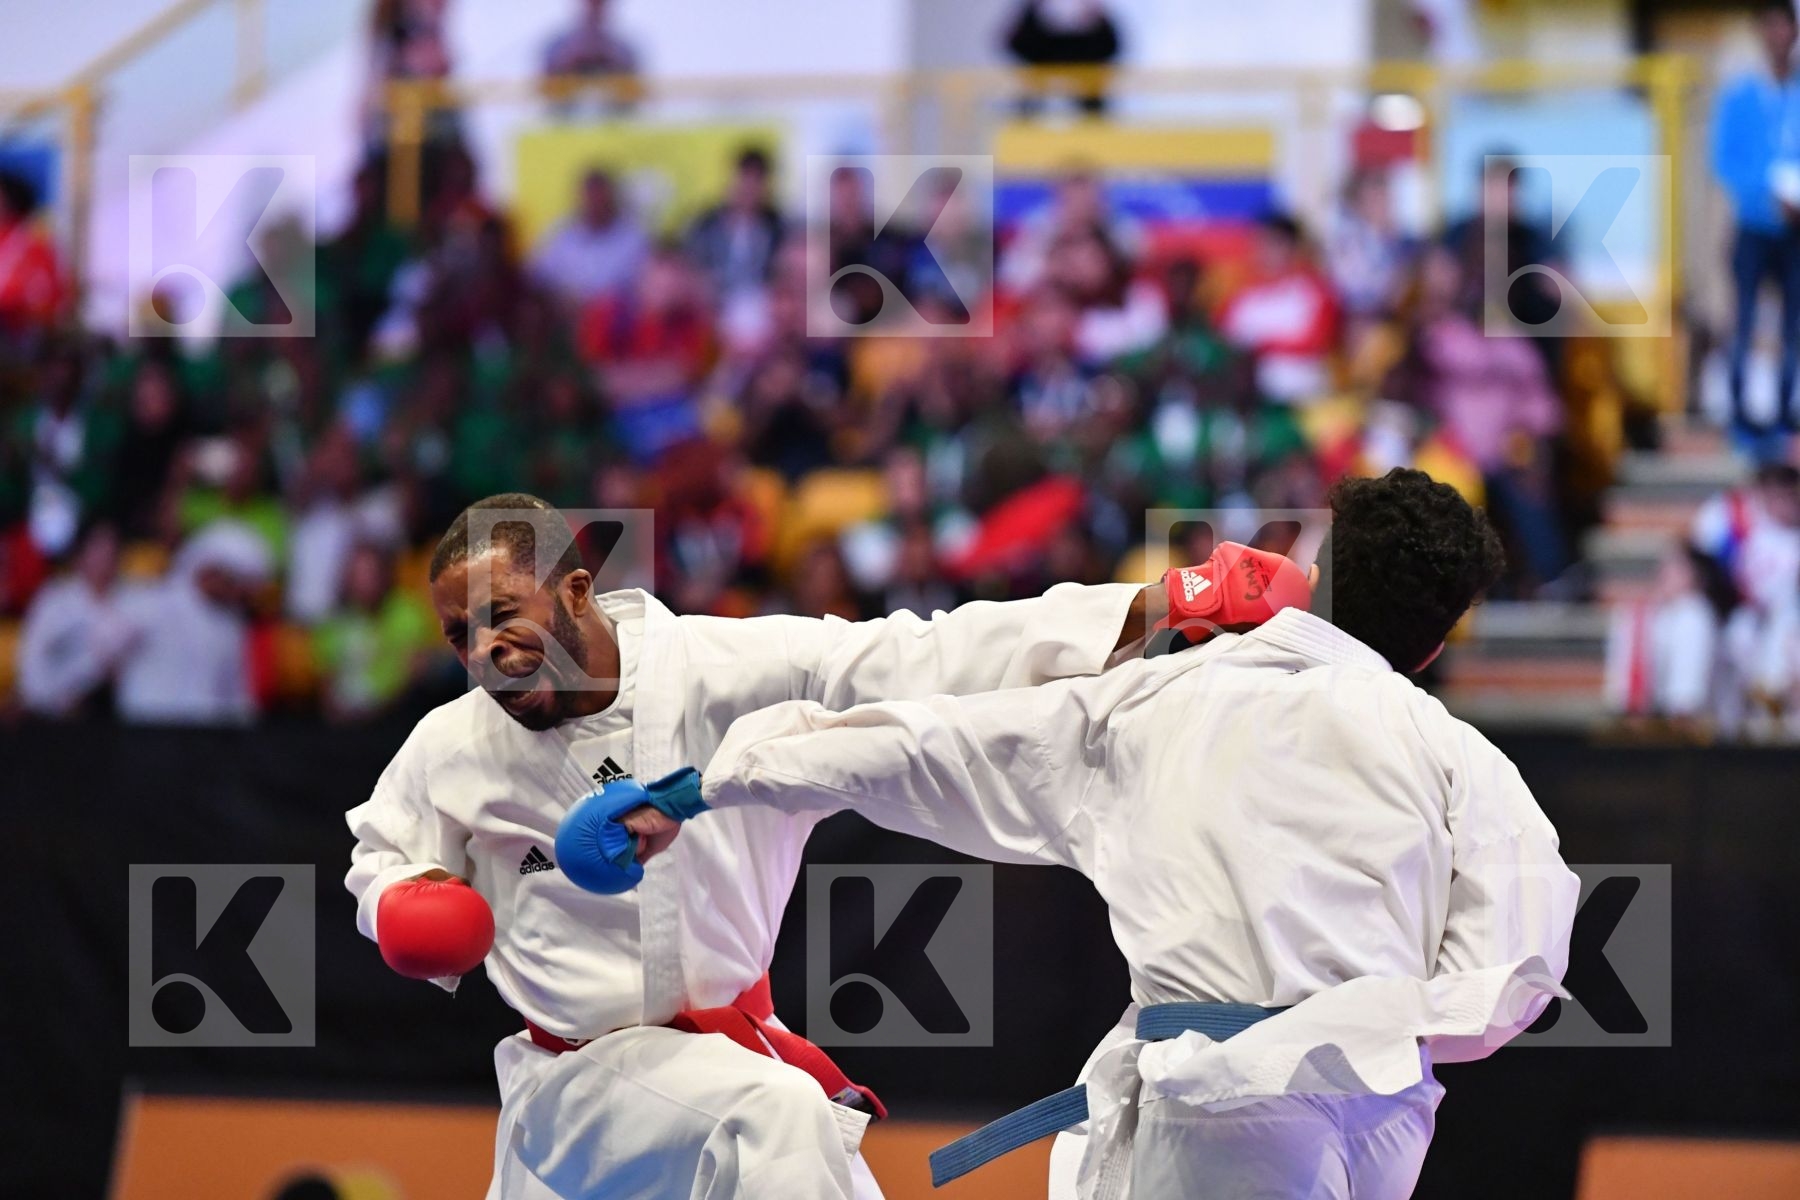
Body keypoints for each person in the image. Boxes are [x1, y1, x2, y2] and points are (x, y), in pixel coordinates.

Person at [606, 468, 1579, 1199]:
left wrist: (705, 786)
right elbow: (1515, 978)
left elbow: (922, 743)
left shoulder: (1161, 700)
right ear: (1440, 642)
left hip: (1215, 1106)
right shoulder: (1466, 763)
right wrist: (1370, 1031)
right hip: (1381, 1121)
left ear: (1310, 575)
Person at [344, 492, 1297, 1200]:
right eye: (459, 633)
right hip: (576, 1093)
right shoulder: (451, 748)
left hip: (724, 1072)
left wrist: (1151, 608)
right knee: (778, 1117)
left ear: (578, 590)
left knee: (794, 1138)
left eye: (502, 615)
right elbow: (379, 852)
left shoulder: (726, 674)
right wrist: (403, 897)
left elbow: (915, 655)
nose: (482, 651)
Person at [1712, 1, 1800, 436]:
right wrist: (1768, 195)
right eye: (1770, 26)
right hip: (1754, 225)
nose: (1778, 35)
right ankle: (1739, 406)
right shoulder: (1741, 96)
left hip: (1796, 230)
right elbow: (1725, 161)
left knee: (1793, 322)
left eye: (1785, 25)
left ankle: (1786, 407)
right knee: (1744, 318)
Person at [16, 522, 130, 717]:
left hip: (110, 713)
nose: (106, 557)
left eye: (112, 550)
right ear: (79, 556)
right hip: (51, 713)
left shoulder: (132, 602)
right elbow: (31, 663)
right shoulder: (54, 600)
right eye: (99, 549)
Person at [529, 169, 651, 311]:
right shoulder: (561, 234)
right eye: (591, 198)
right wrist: (559, 296)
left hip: (617, 320)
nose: (595, 205)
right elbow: (535, 276)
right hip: (565, 316)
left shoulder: (634, 238)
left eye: (601, 199)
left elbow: (648, 288)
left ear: (612, 200)